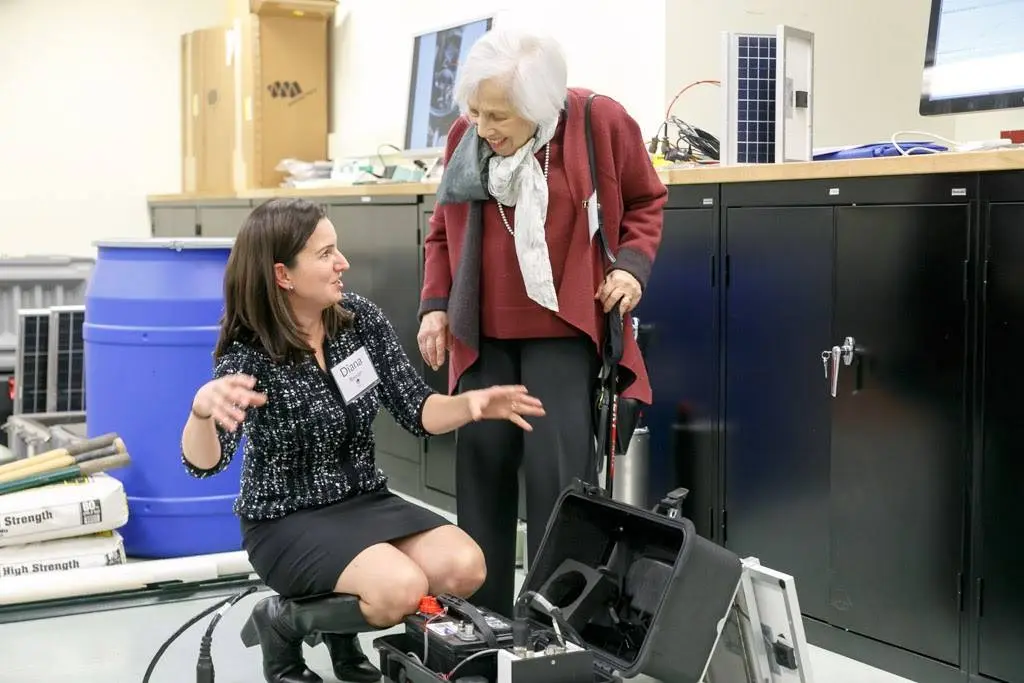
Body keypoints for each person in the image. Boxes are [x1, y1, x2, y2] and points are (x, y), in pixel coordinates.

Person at [181, 198, 546, 683]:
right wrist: (200, 412)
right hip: (287, 519)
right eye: (325, 254)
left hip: (363, 501)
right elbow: (205, 464)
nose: (343, 263)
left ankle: (339, 630)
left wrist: (471, 405)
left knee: (466, 566)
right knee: (400, 589)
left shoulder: (358, 320)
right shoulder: (249, 355)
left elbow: (416, 409)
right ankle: (282, 622)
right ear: (283, 275)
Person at [417, 27, 667, 618]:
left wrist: (630, 268)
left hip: (564, 333)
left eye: (498, 115)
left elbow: (645, 199)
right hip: (482, 336)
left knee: (559, 488)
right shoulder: (465, 135)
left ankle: (553, 628)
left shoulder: (598, 122)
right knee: (482, 481)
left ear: (540, 104)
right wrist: (435, 304)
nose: (483, 128)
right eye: (476, 112)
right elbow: (442, 230)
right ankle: (481, 624)